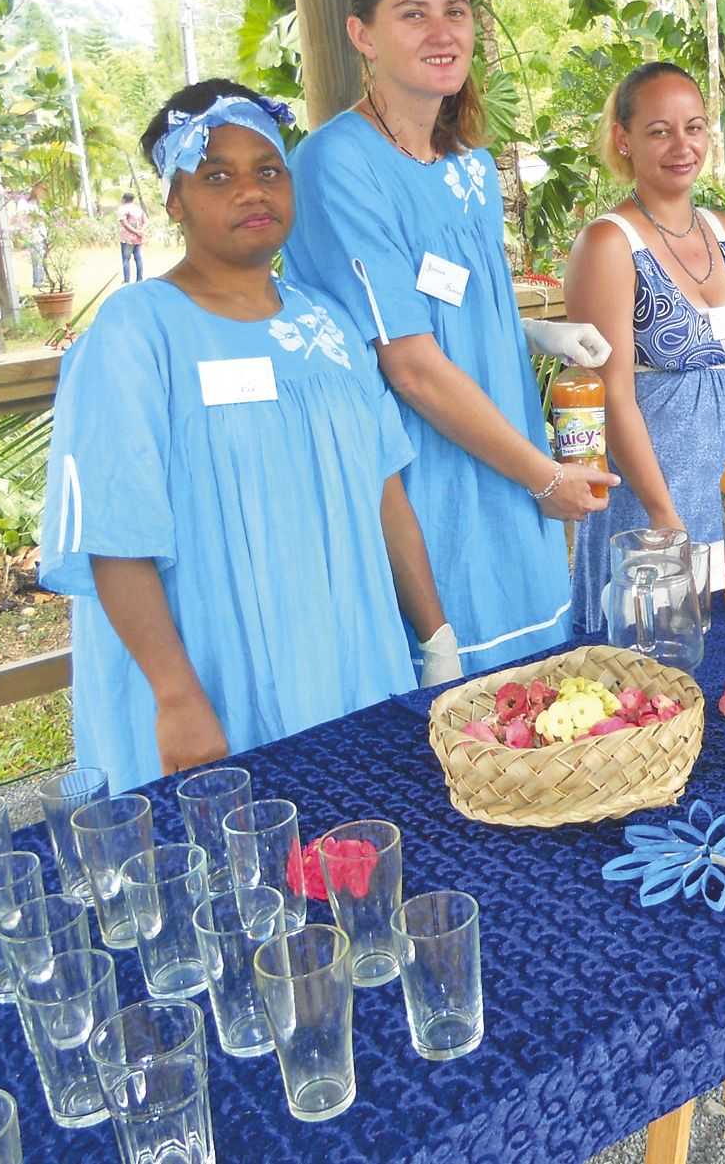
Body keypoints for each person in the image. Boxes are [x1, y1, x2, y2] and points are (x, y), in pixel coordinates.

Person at [39, 79, 457, 789]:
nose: (251, 192)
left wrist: (436, 639)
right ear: (174, 201)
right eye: (217, 176)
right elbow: (113, 534)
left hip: (348, 660)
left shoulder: (327, 322)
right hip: (216, 676)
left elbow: (385, 490)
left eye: (268, 171)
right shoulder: (137, 331)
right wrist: (176, 695)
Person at [284, 0, 616, 678]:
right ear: (362, 35)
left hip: (503, 457)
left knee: (536, 705)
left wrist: (531, 331)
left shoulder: (469, 166)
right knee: (448, 716)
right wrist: (543, 476)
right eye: (413, 13)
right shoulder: (338, 163)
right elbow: (409, 365)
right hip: (427, 479)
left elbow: (445, 304)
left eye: (456, 11)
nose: (442, 33)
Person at [563, 62, 725, 633]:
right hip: (651, 503)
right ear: (623, 139)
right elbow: (613, 395)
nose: (682, 145)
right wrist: (664, 516)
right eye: (660, 130)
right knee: (651, 660)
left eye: (695, 127)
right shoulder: (609, 242)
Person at [118, 191, 147, 283]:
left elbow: (125, 224)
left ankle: (127, 280)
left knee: (126, 259)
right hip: (138, 238)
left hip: (127, 238)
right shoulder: (139, 209)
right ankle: (140, 279)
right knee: (138, 257)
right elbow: (146, 222)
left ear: (123, 199)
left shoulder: (122, 209)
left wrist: (135, 232)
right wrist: (140, 232)